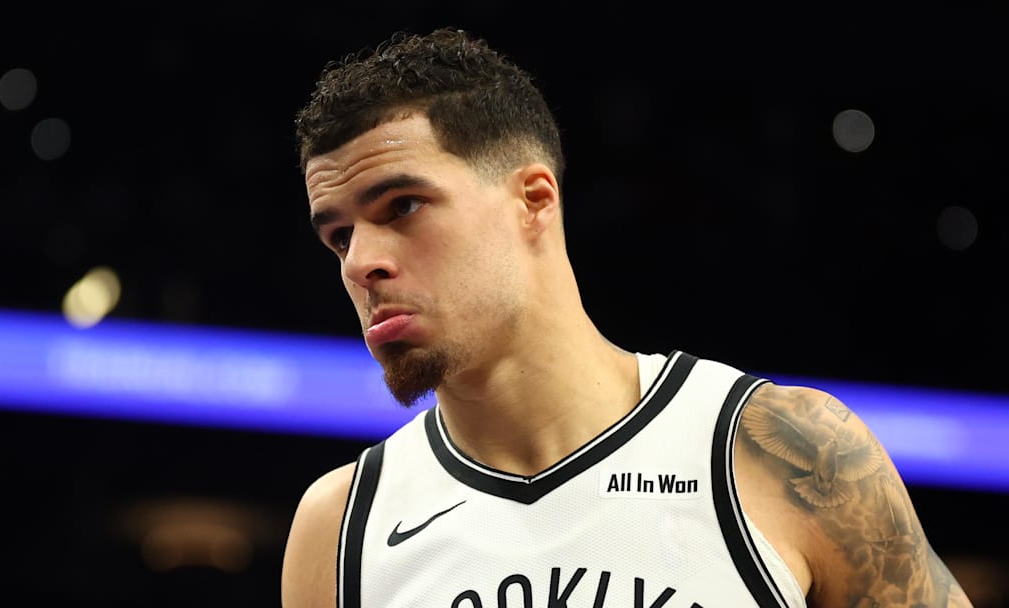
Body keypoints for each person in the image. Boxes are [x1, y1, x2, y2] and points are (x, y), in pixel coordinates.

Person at [280, 26, 975, 608]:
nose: (358, 262)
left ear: (533, 200)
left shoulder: (784, 452)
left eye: (401, 206)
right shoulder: (338, 528)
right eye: (338, 236)